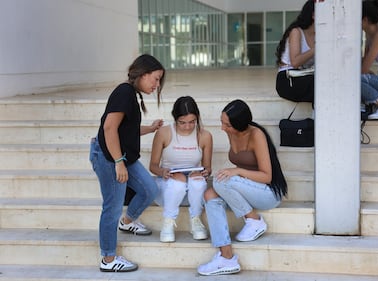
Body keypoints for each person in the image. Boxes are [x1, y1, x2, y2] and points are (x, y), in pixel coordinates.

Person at [89, 54, 165, 272]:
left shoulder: (131, 94)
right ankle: (108, 259)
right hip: (109, 157)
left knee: (149, 189)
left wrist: (150, 129)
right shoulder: (124, 92)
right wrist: (119, 163)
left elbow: (125, 130)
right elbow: (109, 129)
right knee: (112, 207)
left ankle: (128, 221)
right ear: (142, 74)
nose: (156, 84)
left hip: (120, 155)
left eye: (159, 80)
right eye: (156, 78)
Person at [197, 99, 287, 276]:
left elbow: (266, 176)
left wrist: (237, 171)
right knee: (209, 195)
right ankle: (226, 257)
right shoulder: (232, 132)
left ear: (240, 124)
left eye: (227, 125)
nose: (223, 128)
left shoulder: (256, 135)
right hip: (245, 191)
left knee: (221, 180)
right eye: (222, 122)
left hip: (266, 194)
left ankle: (253, 220)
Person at [150, 96, 212, 242]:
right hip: (169, 188)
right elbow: (153, 166)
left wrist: (205, 171)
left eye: (192, 122)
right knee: (179, 180)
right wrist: (163, 172)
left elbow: (208, 167)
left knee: (196, 180)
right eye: (182, 123)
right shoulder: (164, 133)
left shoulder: (205, 136)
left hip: (193, 192)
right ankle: (168, 222)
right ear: (175, 119)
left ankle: (196, 220)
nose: (187, 127)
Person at [275, 0, 315, 105]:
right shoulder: (296, 32)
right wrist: (316, 49)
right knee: (319, 84)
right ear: (313, 15)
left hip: (303, 77)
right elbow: (295, 62)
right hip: (288, 79)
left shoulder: (318, 35)